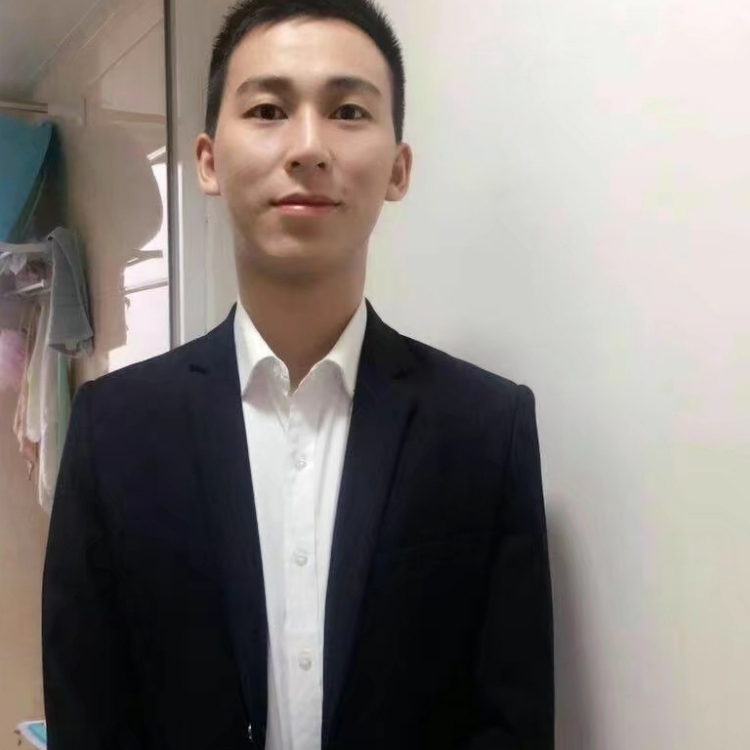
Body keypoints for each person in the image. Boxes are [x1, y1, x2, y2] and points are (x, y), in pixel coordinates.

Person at [41, 1, 554, 748]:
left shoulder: (485, 428)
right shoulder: (113, 429)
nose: (308, 146)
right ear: (208, 161)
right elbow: (88, 716)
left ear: (398, 168)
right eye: (268, 110)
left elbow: (511, 724)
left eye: (348, 111)